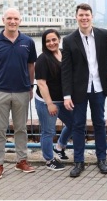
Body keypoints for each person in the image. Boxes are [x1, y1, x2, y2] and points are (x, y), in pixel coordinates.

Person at [61, 3, 107, 178]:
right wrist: (66, 95)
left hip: (99, 87)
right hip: (78, 90)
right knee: (78, 126)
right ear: (76, 17)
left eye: (87, 15)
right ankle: (78, 162)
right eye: (81, 15)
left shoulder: (103, 35)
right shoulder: (68, 40)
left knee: (99, 124)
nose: (84, 18)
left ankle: (101, 159)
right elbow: (65, 69)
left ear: (92, 16)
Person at [0, 8, 37, 180]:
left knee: (21, 129)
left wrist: (30, 87)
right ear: (3, 19)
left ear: (20, 20)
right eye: (9, 18)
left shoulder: (28, 41)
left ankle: (21, 161)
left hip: (22, 91)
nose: (12, 21)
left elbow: (31, 66)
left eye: (16, 18)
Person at [35, 29, 73, 171]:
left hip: (63, 100)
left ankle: (60, 147)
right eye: (48, 41)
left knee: (74, 123)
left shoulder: (64, 53)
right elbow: (41, 83)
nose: (51, 43)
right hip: (47, 101)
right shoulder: (43, 59)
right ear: (44, 43)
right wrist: (50, 104)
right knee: (48, 131)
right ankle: (49, 159)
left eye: (54, 40)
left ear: (59, 39)